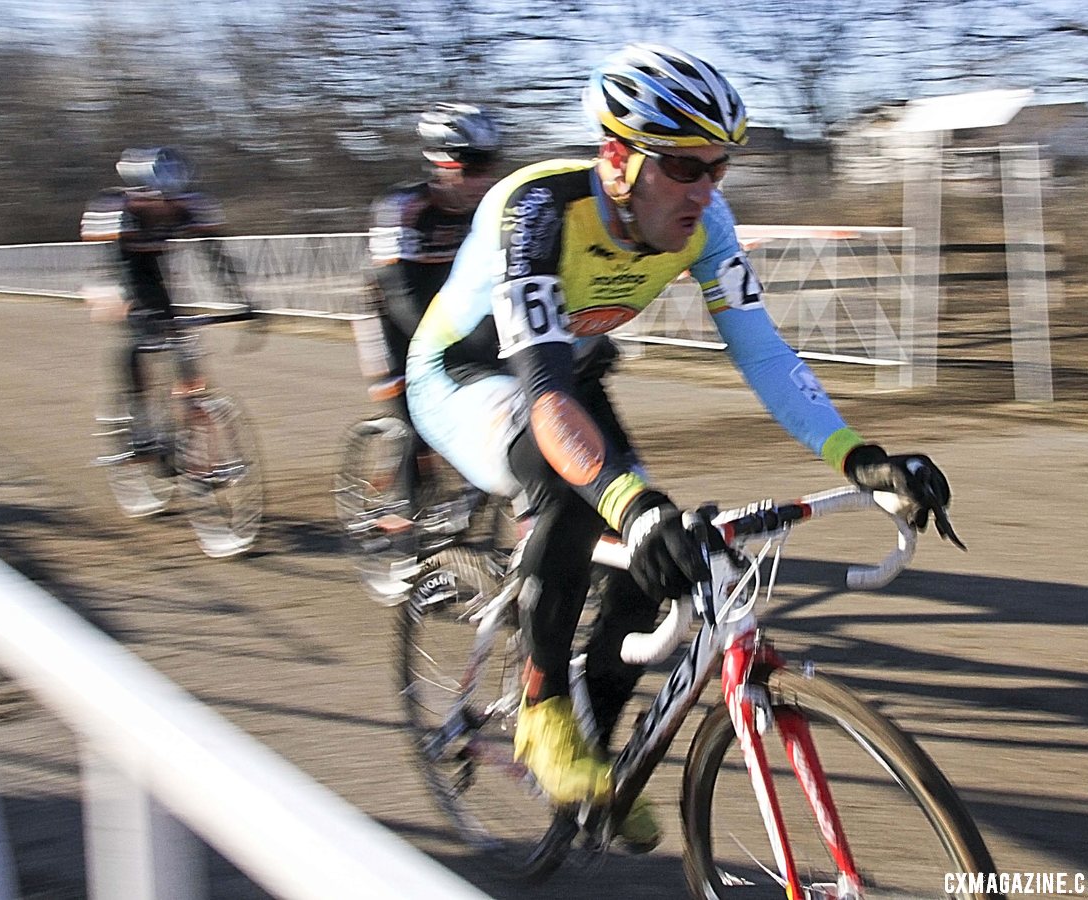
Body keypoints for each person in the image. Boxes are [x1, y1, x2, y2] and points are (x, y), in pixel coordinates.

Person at [405, 44, 955, 850]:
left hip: (568, 376)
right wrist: (631, 503)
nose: (706, 188)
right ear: (619, 160)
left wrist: (857, 456)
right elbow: (544, 396)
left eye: (720, 167)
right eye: (686, 166)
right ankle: (541, 709)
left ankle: (595, 749)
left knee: (662, 564)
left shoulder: (709, 226)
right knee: (579, 492)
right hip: (469, 376)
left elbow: (765, 354)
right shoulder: (537, 211)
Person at [357, 103, 503, 510]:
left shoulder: (487, 210)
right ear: (441, 162)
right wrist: (454, 343)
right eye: (472, 166)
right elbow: (400, 296)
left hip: (453, 316)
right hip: (390, 321)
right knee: (411, 425)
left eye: (490, 164)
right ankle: (399, 531)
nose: (484, 178)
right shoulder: (402, 210)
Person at [81, 146, 231, 453]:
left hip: (154, 274)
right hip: (115, 271)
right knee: (138, 332)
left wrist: (243, 303)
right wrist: (129, 309)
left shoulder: (188, 206)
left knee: (179, 336)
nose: (166, 206)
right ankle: (139, 416)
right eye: (158, 200)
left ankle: (192, 404)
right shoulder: (116, 207)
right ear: (139, 194)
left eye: (172, 200)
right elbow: (114, 267)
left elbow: (216, 257)